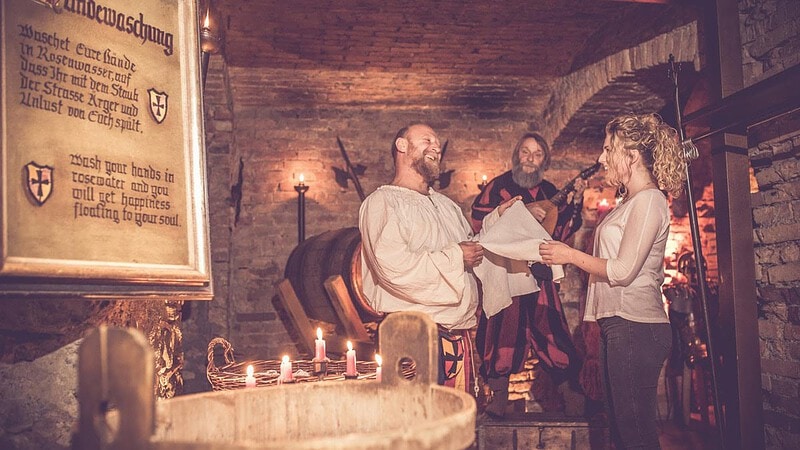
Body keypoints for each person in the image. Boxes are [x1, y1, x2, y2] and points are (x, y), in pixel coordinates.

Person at [539, 113, 687, 449]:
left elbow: (623, 271)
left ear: (632, 156)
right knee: (620, 432)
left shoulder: (650, 200)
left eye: (608, 149)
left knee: (635, 434)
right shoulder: (628, 203)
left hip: (637, 325)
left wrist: (569, 255)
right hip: (617, 325)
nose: (601, 158)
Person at [359, 123, 518, 392]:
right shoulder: (382, 203)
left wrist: (495, 221)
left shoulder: (446, 206)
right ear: (401, 146)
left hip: (457, 335)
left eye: (437, 142)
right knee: (419, 426)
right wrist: (456, 255)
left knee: (457, 427)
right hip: (412, 337)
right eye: (426, 140)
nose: (436, 147)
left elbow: (471, 249)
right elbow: (393, 268)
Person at [471, 132, 584, 418]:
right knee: (500, 334)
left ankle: (573, 399)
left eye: (537, 154)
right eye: (525, 152)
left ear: (544, 159)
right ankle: (498, 400)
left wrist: (576, 203)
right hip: (506, 275)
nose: (530, 159)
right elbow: (480, 222)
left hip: (539, 277)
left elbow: (558, 232)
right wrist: (520, 212)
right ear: (516, 155)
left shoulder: (548, 189)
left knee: (552, 331)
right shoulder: (498, 186)